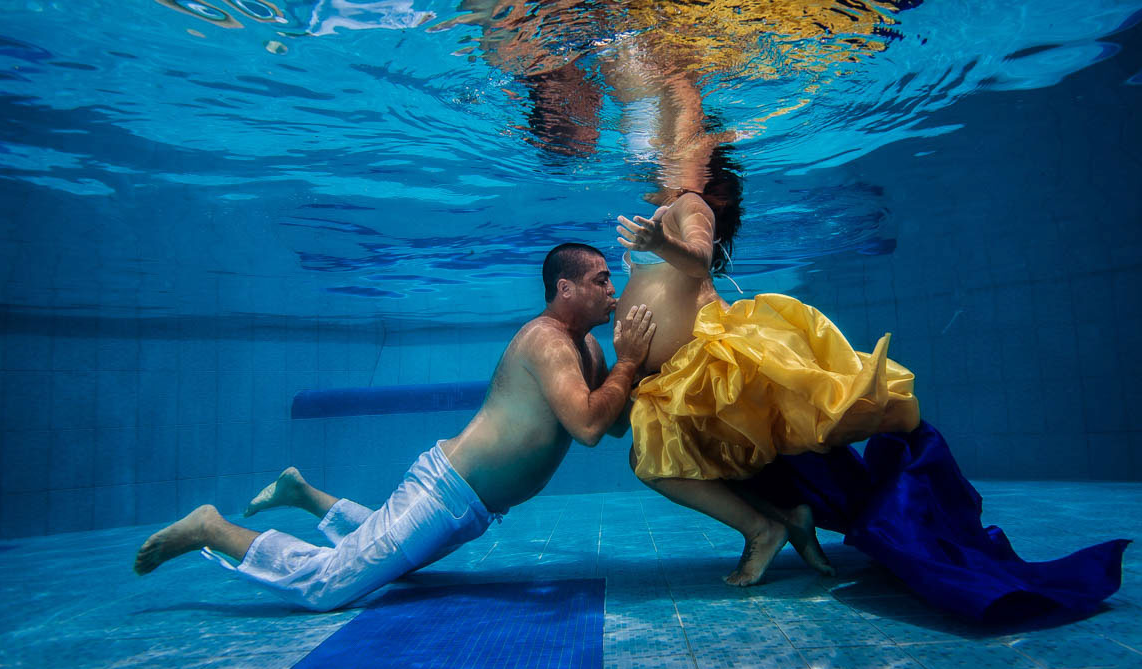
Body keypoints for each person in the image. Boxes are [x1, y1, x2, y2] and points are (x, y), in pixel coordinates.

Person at [132, 243, 655, 611]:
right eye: (601, 280)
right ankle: (211, 527)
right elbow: (587, 427)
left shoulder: (586, 347)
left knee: (386, 561)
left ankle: (303, 492)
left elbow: (609, 427)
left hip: (470, 506)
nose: (613, 290)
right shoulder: (547, 341)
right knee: (328, 585)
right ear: (565, 288)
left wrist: (645, 367)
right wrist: (629, 362)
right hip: (445, 490)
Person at [614, 144, 923, 587]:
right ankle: (788, 517)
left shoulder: (688, 202)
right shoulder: (670, 209)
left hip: (704, 365)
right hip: (673, 376)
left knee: (655, 462)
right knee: (682, 462)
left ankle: (763, 529)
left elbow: (699, 257)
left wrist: (660, 243)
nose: (646, 166)